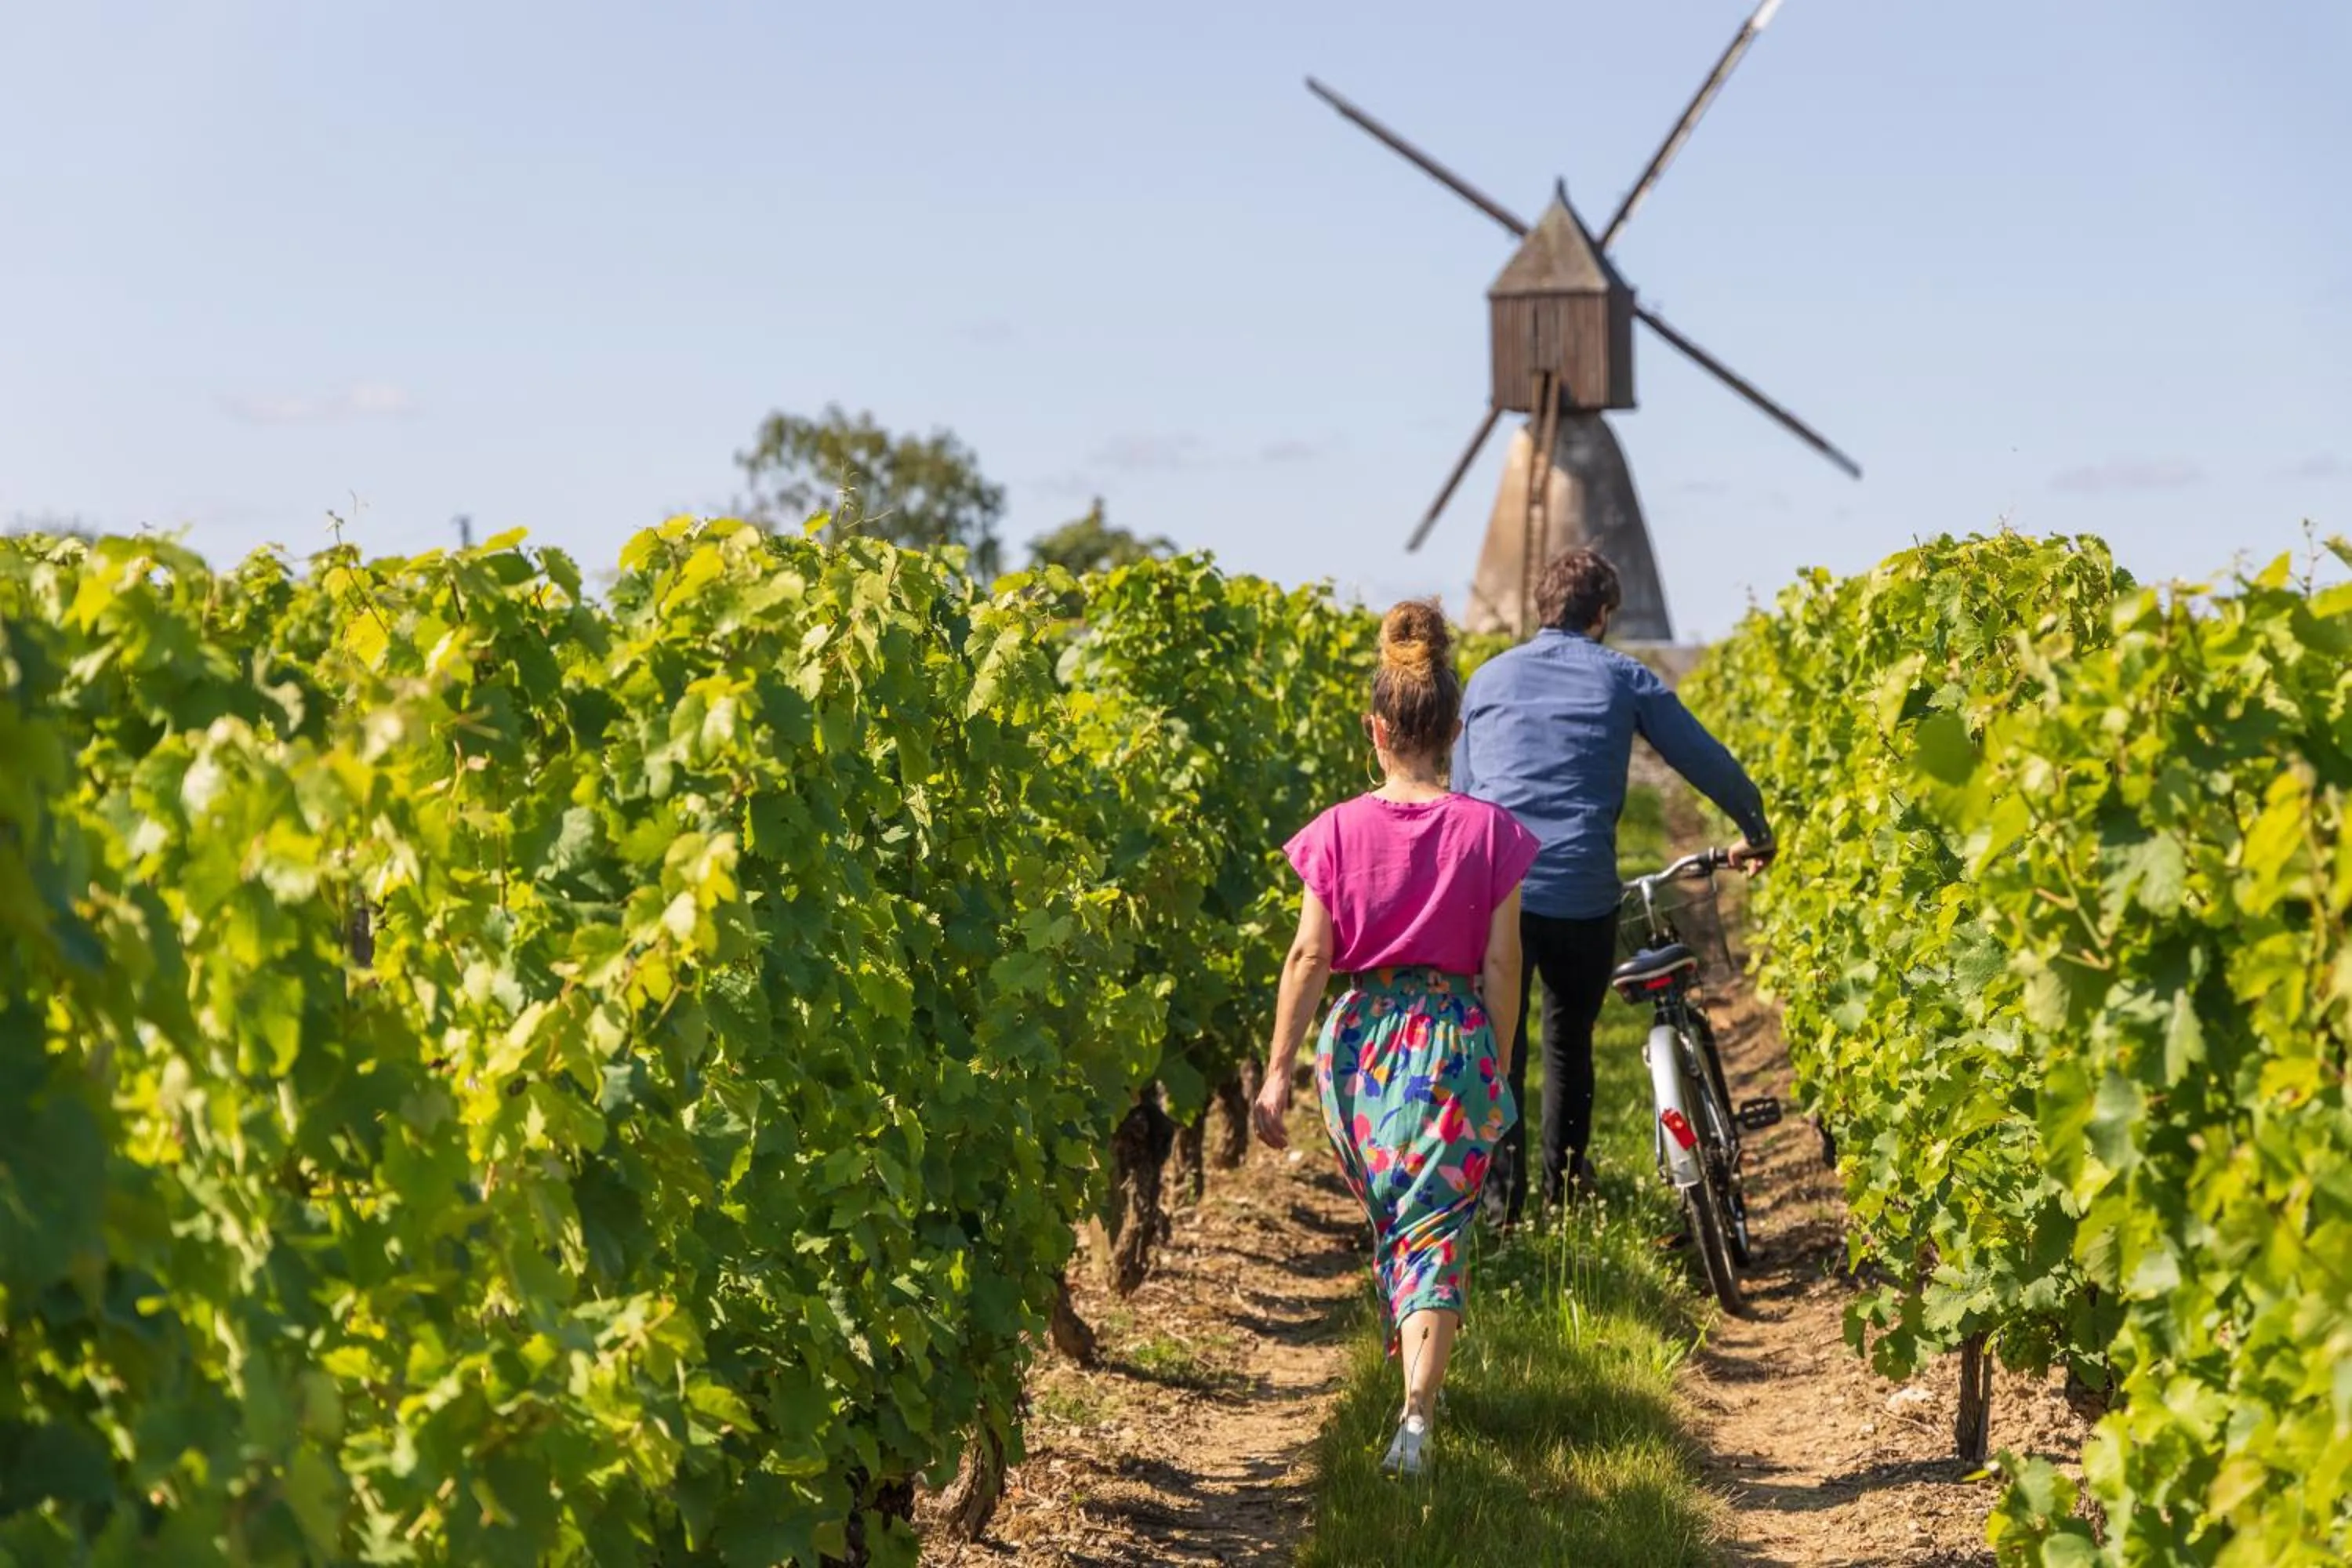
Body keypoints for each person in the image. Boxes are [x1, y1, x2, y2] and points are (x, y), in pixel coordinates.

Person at [1251, 599, 1540, 1479]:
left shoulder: (1336, 831)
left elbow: (1309, 955)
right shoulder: (1492, 832)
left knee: (1401, 1224)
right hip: (1453, 1039)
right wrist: (1495, 1064)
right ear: (1454, 729)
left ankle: (1415, 1402)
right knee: (1436, 1227)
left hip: (1361, 1050)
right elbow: (1503, 964)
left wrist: (1277, 1073)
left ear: (1375, 730)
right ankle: (1417, 1411)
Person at [1452, 548, 1774, 1225]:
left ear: (1542, 607)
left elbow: (1463, 794)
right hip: (1581, 889)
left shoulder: (1486, 679)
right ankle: (1566, 1192)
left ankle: (1500, 1212)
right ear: (1601, 615)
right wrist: (1755, 824)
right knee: (1569, 1038)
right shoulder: (1623, 676)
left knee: (1502, 1047)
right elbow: (1700, 755)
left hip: (1500, 892)